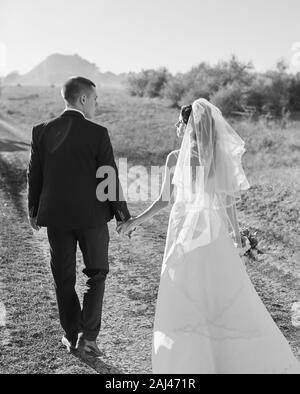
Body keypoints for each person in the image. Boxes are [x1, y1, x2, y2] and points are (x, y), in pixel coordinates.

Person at [118, 98, 300, 374]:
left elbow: (164, 200)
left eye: (180, 121)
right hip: (211, 230)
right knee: (221, 292)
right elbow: (227, 203)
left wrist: (135, 221)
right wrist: (237, 237)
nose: (177, 125)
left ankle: (191, 357)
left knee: (186, 290)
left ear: (189, 125)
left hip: (184, 231)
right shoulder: (215, 156)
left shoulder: (173, 158)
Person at [27, 76, 132, 357]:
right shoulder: (98, 133)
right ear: (83, 99)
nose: (97, 104)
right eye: (95, 99)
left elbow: (34, 174)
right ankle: (87, 337)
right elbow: (108, 176)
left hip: (57, 219)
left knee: (63, 277)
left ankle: (71, 334)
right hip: (92, 218)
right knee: (96, 274)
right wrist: (122, 214)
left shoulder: (41, 131)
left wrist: (33, 210)